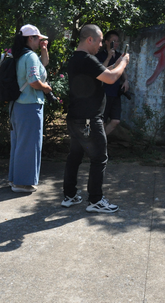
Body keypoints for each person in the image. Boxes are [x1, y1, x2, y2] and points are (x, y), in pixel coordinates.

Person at [61, 24, 129, 213]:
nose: (101, 45)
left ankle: (69, 195)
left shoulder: (76, 59)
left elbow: (103, 73)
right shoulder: (87, 59)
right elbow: (110, 78)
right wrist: (123, 63)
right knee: (99, 158)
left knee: (74, 156)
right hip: (89, 119)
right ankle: (95, 200)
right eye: (99, 41)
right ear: (89, 39)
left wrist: (117, 63)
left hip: (75, 117)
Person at [8, 25, 52, 193]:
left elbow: (42, 66)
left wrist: (44, 49)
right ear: (30, 38)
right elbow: (34, 81)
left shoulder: (19, 55)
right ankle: (23, 184)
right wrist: (46, 88)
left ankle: (15, 179)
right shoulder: (30, 56)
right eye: (38, 38)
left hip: (17, 105)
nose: (40, 41)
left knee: (19, 143)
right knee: (29, 145)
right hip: (30, 105)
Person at [95, 30, 130, 136]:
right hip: (104, 92)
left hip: (115, 92)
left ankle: (101, 141)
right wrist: (109, 57)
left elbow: (122, 70)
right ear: (106, 42)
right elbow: (100, 70)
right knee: (102, 121)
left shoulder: (119, 55)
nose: (116, 43)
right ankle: (99, 143)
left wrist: (126, 80)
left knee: (116, 121)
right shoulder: (100, 55)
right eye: (113, 41)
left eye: (117, 41)